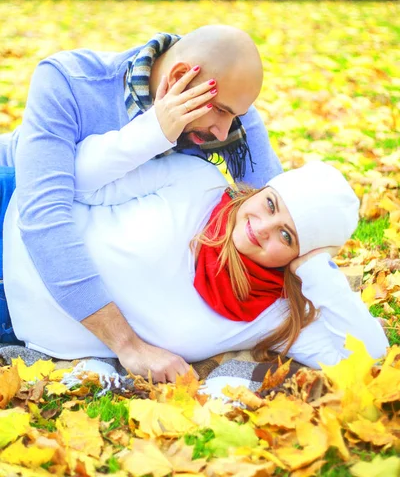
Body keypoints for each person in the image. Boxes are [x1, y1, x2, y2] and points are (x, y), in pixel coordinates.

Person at [3, 125, 388, 381]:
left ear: (299, 255)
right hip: (14, 217)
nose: (262, 227)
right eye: (271, 205)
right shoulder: (197, 183)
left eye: (286, 236)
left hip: (12, 321)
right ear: (262, 191)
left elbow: (367, 356)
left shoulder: (274, 314)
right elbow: (78, 182)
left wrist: (317, 271)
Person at [0, 26, 282, 373]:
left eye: (235, 116)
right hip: (10, 212)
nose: (225, 133)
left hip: (61, 290)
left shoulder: (225, 101)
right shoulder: (70, 81)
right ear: (180, 76)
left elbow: (284, 204)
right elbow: (43, 219)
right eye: (222, 112)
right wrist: (128, 345)